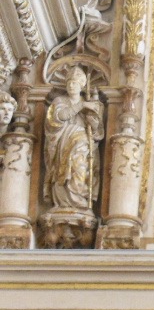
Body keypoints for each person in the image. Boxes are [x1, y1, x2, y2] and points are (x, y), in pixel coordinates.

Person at [41, 66, 103, 215]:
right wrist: (82, 106)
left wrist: (93, 122)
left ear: (81, 85)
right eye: (69, 83)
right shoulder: (60, 101)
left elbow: (98, 132)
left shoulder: (91, 103)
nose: (71, 86)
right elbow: (59, 117)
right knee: (60, 169)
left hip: (82, 140)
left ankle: (79, 199)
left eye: (74, 83)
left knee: (78, 165)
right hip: (63, 140)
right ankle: (62, 201)